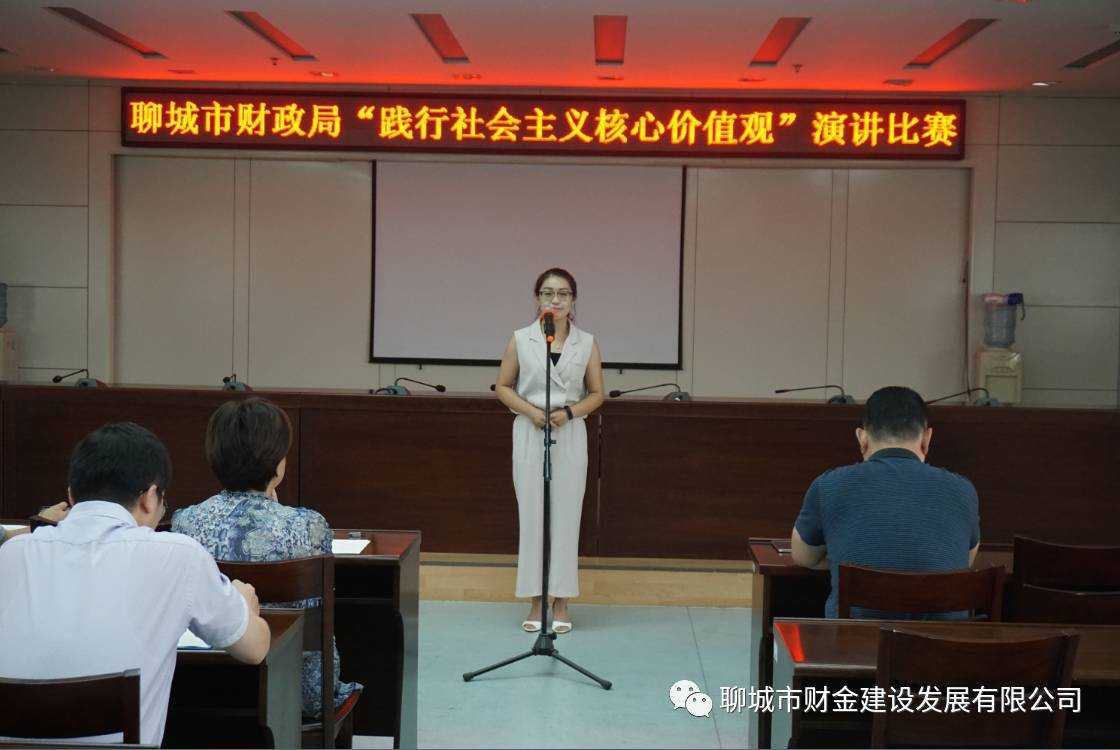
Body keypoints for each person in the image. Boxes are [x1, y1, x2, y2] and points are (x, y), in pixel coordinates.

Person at [0, 422, 269, 746]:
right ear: (151, 497)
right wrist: (245, 604)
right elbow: (254, 649)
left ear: (71, 495)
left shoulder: (11, 554)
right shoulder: (179, 555)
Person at [172, 396, 360, 717]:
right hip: (296, 693)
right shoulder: (308, 525)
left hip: (203, 685)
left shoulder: (185, 522)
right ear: (277, 462)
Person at [790, 385, 981, 619]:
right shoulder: (963, 490)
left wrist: (844, 558)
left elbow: (803, 556)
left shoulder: (829, 485)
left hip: (854, 640)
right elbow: (964, 561)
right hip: (943, 641)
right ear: (926, 438)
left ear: (862, 438)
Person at [495, 267, 605, 633]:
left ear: (573, 300)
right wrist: (531, 412)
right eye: (547, 293)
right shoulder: (521, 339)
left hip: (569, 432)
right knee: (532, 516)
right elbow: (503, 386)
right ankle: (535, 600)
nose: (554, 300)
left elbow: (597, 394)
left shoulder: (586, 342)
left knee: (566, 517)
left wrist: (569, 412)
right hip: (530, 431)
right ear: (537, 298)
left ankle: (561, 601)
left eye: (562, 294)